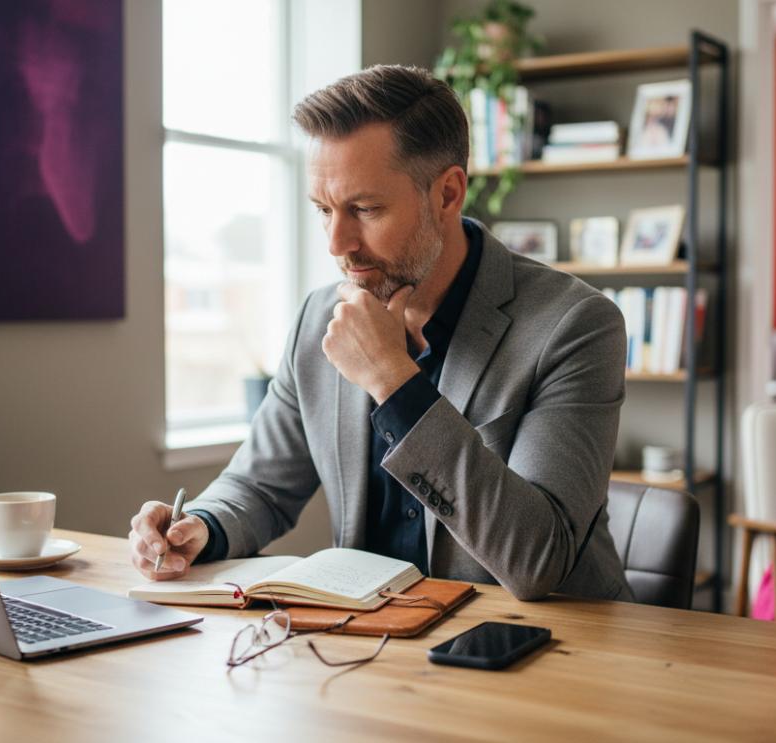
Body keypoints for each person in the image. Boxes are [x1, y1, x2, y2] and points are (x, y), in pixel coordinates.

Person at [129, 65, 632, 601]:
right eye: (324, 210)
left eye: (365, 209)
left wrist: (394, 379)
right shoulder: (318, 319)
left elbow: (540, 558)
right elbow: (259, 485)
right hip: (374, 646)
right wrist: (202, 526)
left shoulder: (575, 325)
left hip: (550, 648)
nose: (337, 243)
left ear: (447, 194)